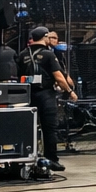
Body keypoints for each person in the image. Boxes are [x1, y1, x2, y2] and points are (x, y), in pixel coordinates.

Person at [20, 26, 77, 170]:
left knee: (27, 128)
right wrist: (70, 91)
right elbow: (59, 77)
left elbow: (18, 77)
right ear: (45, 37)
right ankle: (51, 160)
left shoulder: (22, 55)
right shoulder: (48, 55)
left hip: (26, 95)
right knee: (49, 129)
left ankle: (26, 157)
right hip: (46, 94)